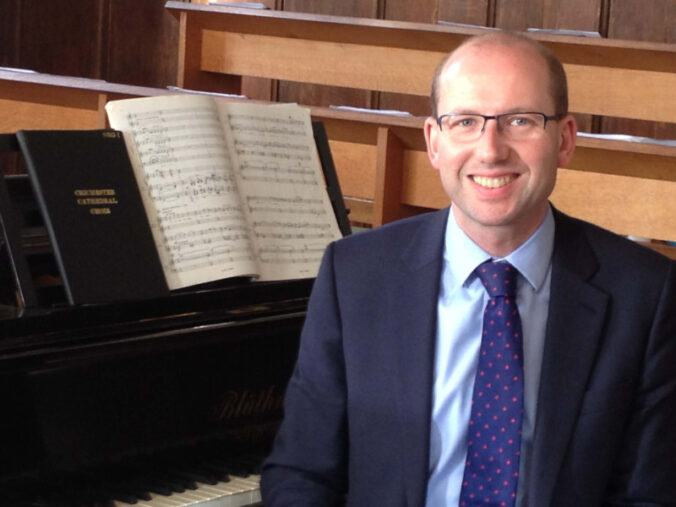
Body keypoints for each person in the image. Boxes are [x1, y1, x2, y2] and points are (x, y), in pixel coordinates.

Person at [260, 31, 676, 506]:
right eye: (465, 122)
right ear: (434, 142)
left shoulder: (646, 295)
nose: (491, 149)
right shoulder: (354, 275)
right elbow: (301, 473)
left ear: (564, 140)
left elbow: (651, 496)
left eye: (521, 120)